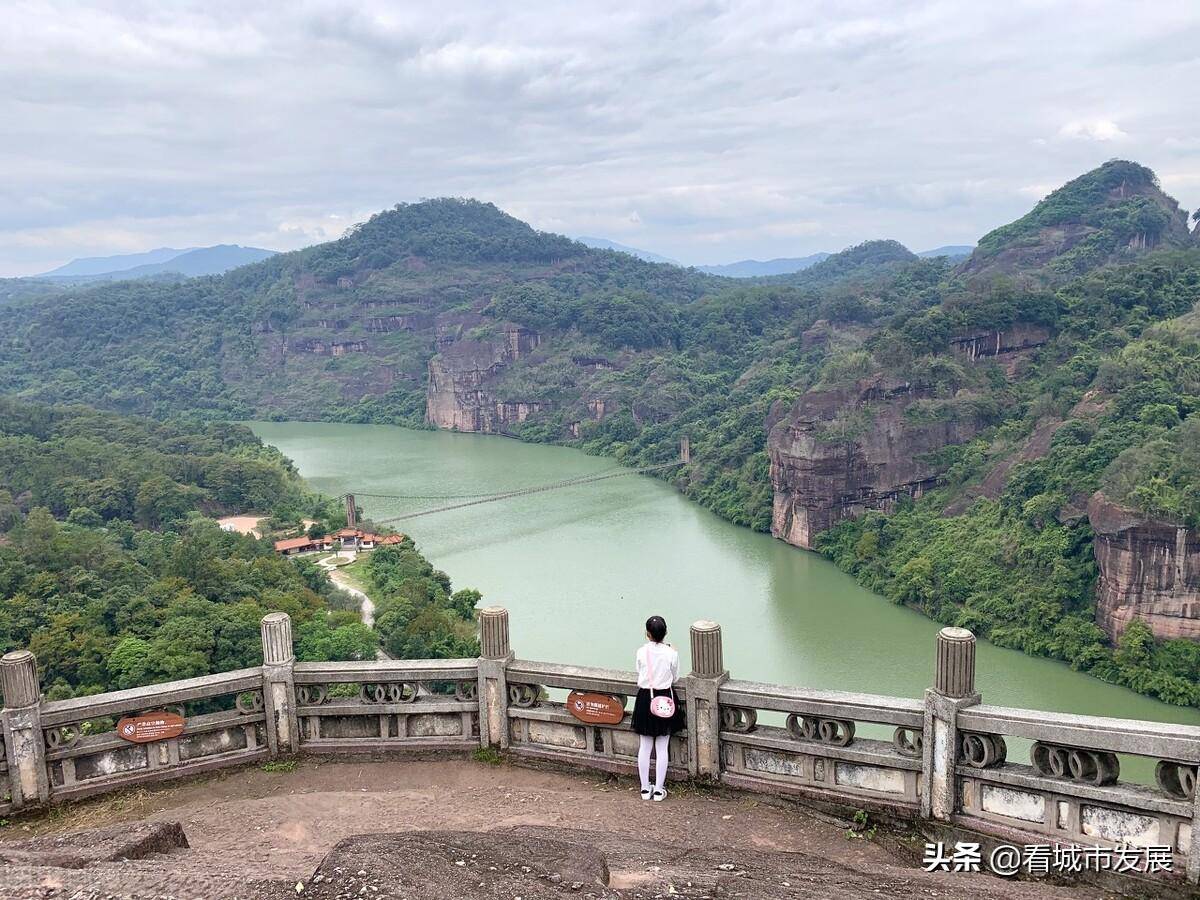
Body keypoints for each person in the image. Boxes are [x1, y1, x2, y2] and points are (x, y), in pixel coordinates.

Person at [631, 614, 685, 801]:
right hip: (665, 698)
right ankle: (659, 790)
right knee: (662, 747)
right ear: (665, 633)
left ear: (647, 633)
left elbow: (640, 672)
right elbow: (676, 678)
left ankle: (645, 789)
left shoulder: (640, 652)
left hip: (646, 698)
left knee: (645, 747)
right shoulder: (671, 653)